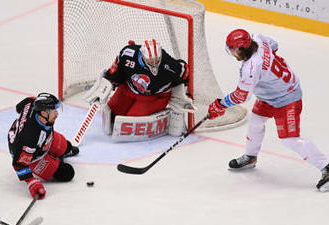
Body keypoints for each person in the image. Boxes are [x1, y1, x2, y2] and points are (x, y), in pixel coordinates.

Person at [207, 29, 329, 192]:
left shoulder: (251, 68)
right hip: (270, 94)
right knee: (255, 120)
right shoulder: (257, 38)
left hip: (287, 97)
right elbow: (274, 45)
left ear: (242, 49)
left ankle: (326, 166)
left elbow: (242, 96)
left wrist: (220, 105)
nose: (232, 54)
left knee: (289, 140)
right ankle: (250, 157)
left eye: (233, 50)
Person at [84, 39, 195, 139]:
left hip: (155, 97)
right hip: (128, 89)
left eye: (157, 60)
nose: (154, 63)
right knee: (112, 114)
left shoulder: (169, 64)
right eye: (151, 61)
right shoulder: (128, 54)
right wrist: (105, 86)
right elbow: (115, 73)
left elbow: (185, 72)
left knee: (129, 123)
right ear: (142, 55)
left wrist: (183, 94)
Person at [8, 93, 79, 199]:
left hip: (45, 140)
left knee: (66, 146)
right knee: (66, 173)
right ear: (43, 113)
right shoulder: (29, 139)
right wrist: (31, 181)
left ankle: (59, 154)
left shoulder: (33, 104)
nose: (57, 114)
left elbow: (20, 106)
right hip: (32, 157)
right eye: (53, 111)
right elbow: (19, 164)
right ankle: (53, 160)